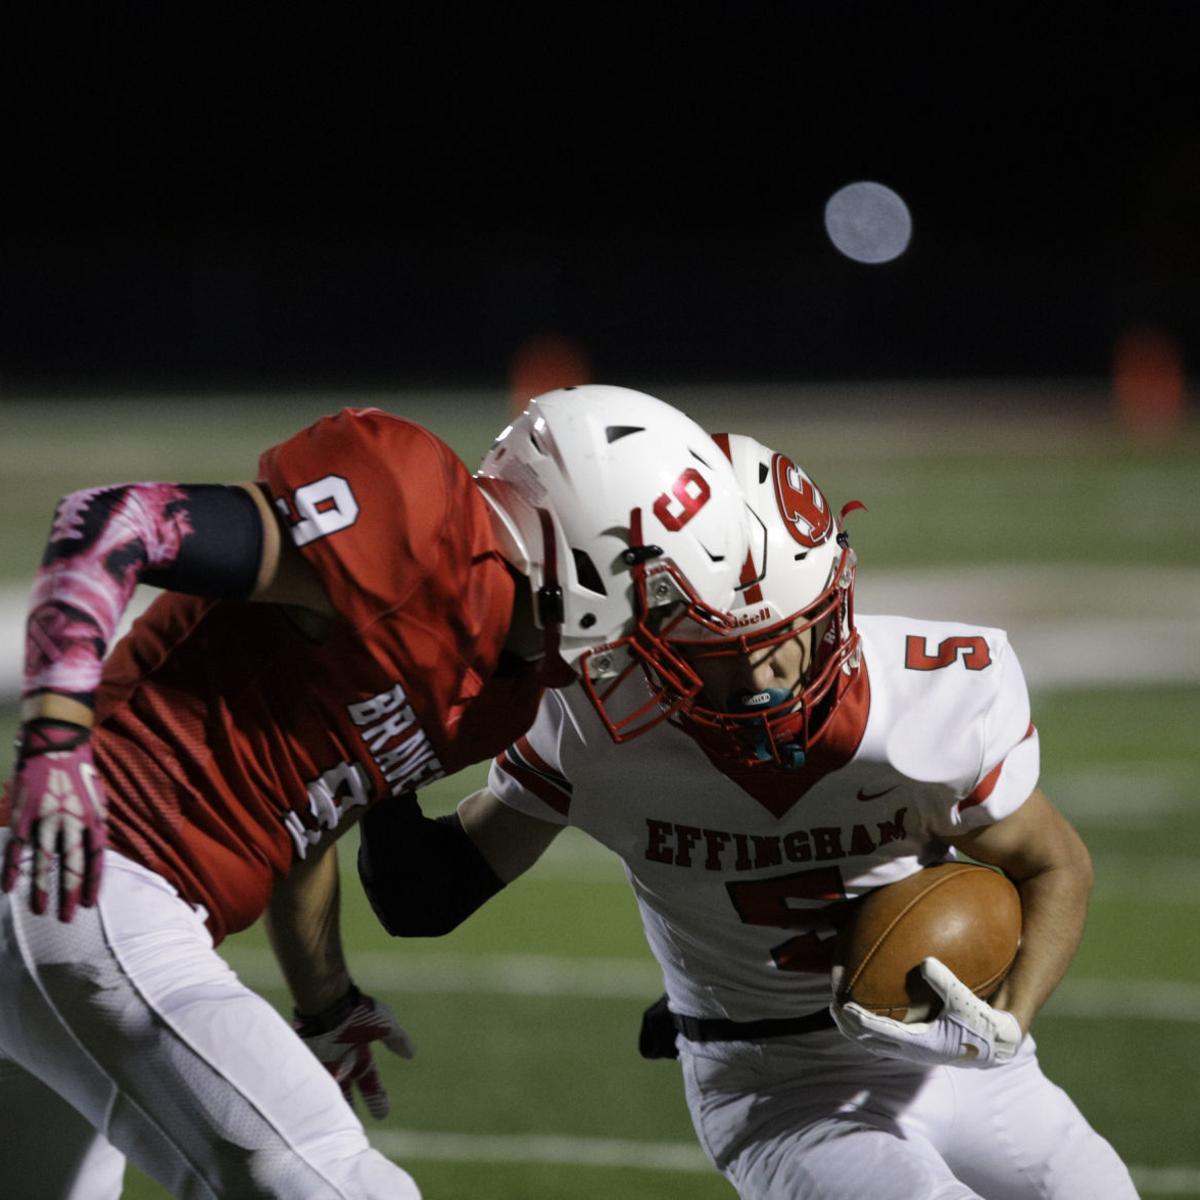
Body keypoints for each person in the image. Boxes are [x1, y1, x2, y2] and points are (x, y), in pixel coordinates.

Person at [0, 386, 753, 1200]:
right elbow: (113, 520)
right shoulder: (417, 524)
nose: (658, 632)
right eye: (661, 595)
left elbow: (307, 817)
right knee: (333, 1180)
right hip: (89, 879)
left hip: (86, 915)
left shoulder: (502, 692)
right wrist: (55, 735)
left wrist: (326, 1003)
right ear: (587, 546)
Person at [358, 433, 1138, 1199]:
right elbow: (423, 897)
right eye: (716, 649)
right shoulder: (595, 725)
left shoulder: (924, 706)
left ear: (834, 601)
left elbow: (1053, 862)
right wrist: (383, 734)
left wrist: (1008, 1020)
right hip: (779, 1087)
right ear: (654, 637)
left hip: (961, 1062)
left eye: (782, 637)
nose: (761, 676)